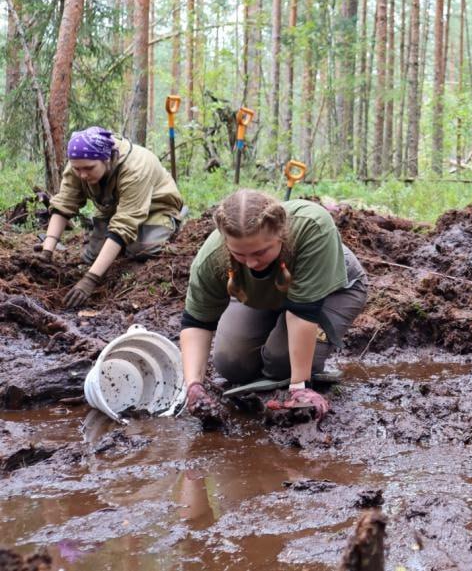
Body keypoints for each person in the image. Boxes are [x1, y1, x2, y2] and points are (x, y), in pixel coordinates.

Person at [179, 189, 368, 421]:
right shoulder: (211, 257)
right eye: (239, 254)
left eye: (260, 252)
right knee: (232, 365)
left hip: (331, 292)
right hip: (267, 295)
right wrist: (194, 387)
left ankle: (291, 364)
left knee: (280, 363)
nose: (250, 262)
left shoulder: (313, 226)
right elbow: (196, 321)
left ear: (281, 233)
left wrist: (300, 388)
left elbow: (303, 312)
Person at [38, 127, 185, 309]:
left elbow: (124, 224)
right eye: (77, 169)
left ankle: (170, 224)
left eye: (89, 169)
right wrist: (47, 250)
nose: (82, 175)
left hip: (156, 208)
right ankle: (115, 246)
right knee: (92, 256)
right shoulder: (80, 161)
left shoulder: (135, 167)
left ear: (106, 158)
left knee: (140, 250)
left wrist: (90, 279)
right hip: (112, 208)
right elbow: (64, 204)